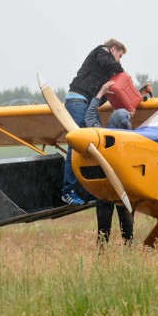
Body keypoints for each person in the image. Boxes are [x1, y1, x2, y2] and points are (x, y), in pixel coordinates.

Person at [61, 39, 126, 205]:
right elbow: (112, 65)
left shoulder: (104, 69)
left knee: (90, 146)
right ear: (113, 49)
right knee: (76, 146)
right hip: (77, 100)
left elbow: (101, 97)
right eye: (119, 55)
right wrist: (123, 74)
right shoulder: (101, 51)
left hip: (84, 102)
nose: (119, 60)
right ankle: (67, 191)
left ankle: (87, 190)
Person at [84, 80, 134, 246]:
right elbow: (90, 116)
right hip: (118, 190)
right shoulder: (130, 142)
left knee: (103, 234)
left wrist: (99, 94)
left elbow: (90, 116)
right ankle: (128, 250)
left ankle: (105, 254)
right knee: (127, 233)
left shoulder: (99, 135)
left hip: (107, 191)